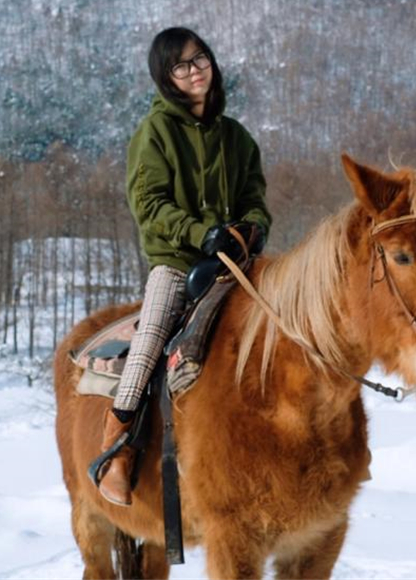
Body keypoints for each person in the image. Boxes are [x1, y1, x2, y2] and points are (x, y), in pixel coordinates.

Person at [95, 27, 272, 506]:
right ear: (166, 78)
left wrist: (250, 231)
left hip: (235, 264)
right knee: (151, 337)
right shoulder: (154, 133)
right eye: (182, 66)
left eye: (201, 59)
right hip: (176, 262)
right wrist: (201, 234)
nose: (195, 71)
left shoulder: (237, 138)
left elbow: (255, 200)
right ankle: (117, 449)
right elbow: (149, 205)